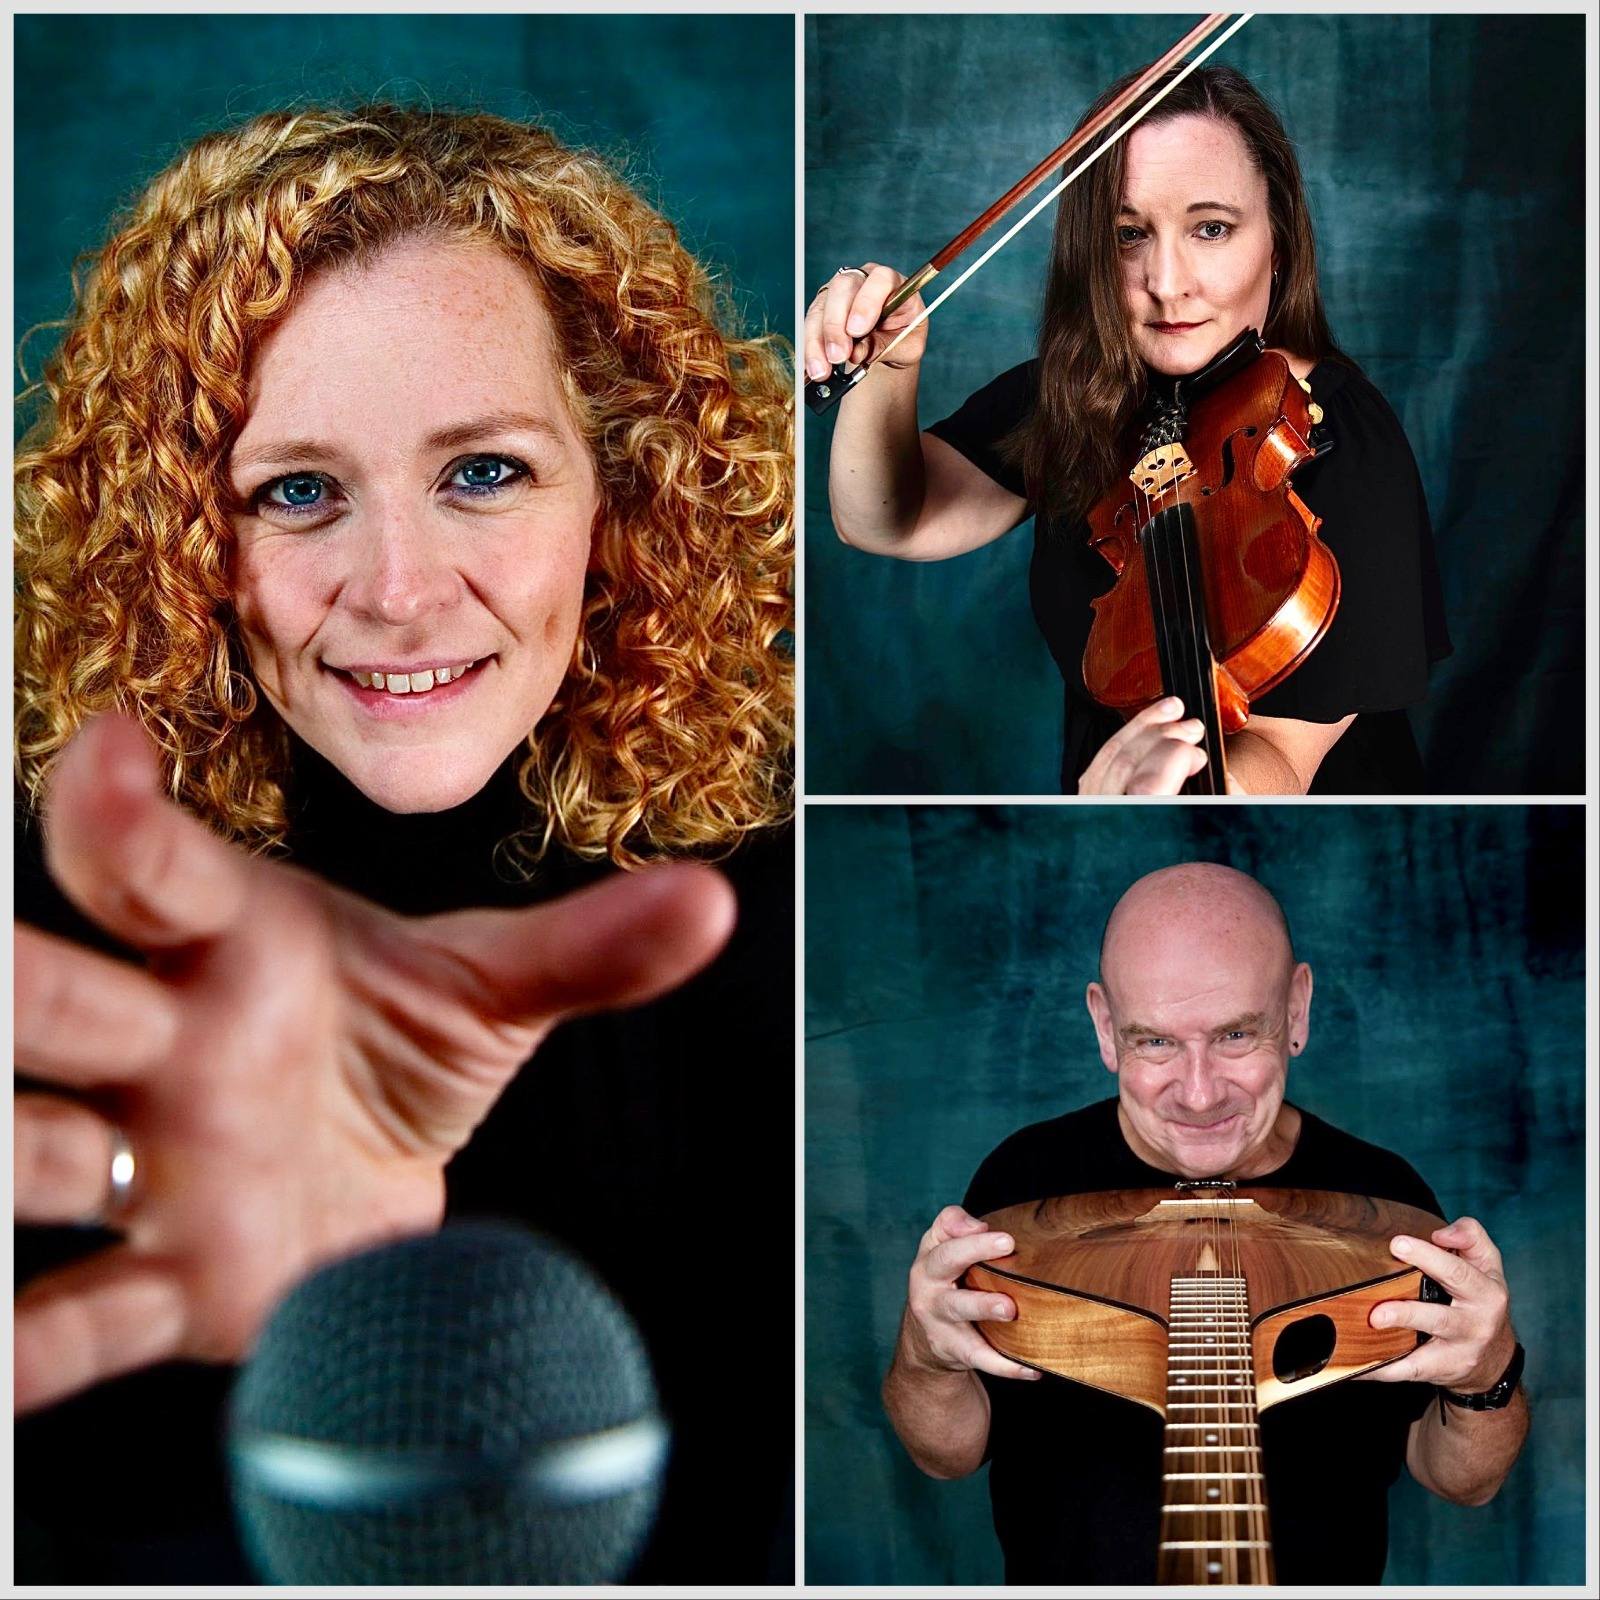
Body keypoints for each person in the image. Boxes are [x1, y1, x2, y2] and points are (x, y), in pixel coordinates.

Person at [13, 103, 793, 1582]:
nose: (399, 591)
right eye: (297, 492)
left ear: (616, 492)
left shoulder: (788, 894)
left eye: (483, 472)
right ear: (188, 537)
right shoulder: (39, 912)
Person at [806, 63, 1449, 795]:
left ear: (1278, 240)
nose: (1167, 282)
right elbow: (890, 519)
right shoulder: (1078, 393)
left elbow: (1279, 760)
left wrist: (1138, 798)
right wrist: (888, 368)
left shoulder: (1333, 433)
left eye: (1211, 228)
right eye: (1128, 234)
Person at [882, 864, 1528, 1585]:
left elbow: (1461, 1480)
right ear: (1104, 1026)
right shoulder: (1020, 1184)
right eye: (1154, 1042)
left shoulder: (1386, 1200)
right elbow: (947, 1456)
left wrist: (1489, 1371)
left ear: (1297, 1009)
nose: (1197, 1093)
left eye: (1235, 1034)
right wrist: (924, 1353)